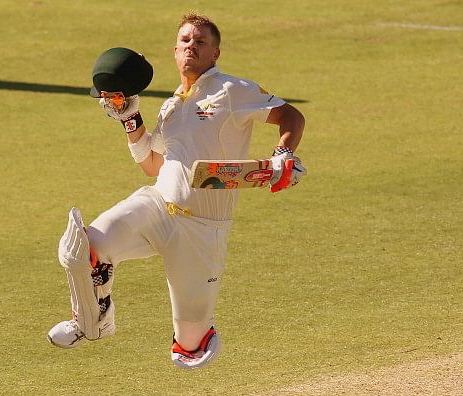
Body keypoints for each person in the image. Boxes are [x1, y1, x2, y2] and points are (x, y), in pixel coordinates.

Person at [47, 12, 306, 370]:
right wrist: (130, 120)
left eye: (201, 42)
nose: (192, 47)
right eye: (185, 41)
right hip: (157, 206)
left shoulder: (232, 90)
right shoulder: (171, 106)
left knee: (190, 349)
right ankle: (93, 319)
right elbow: (154, 165)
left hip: (203, 227)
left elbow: (292, 116)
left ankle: (194, 335)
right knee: (82, 246)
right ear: (175, 50)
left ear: (215, 53)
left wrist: (283, 155)